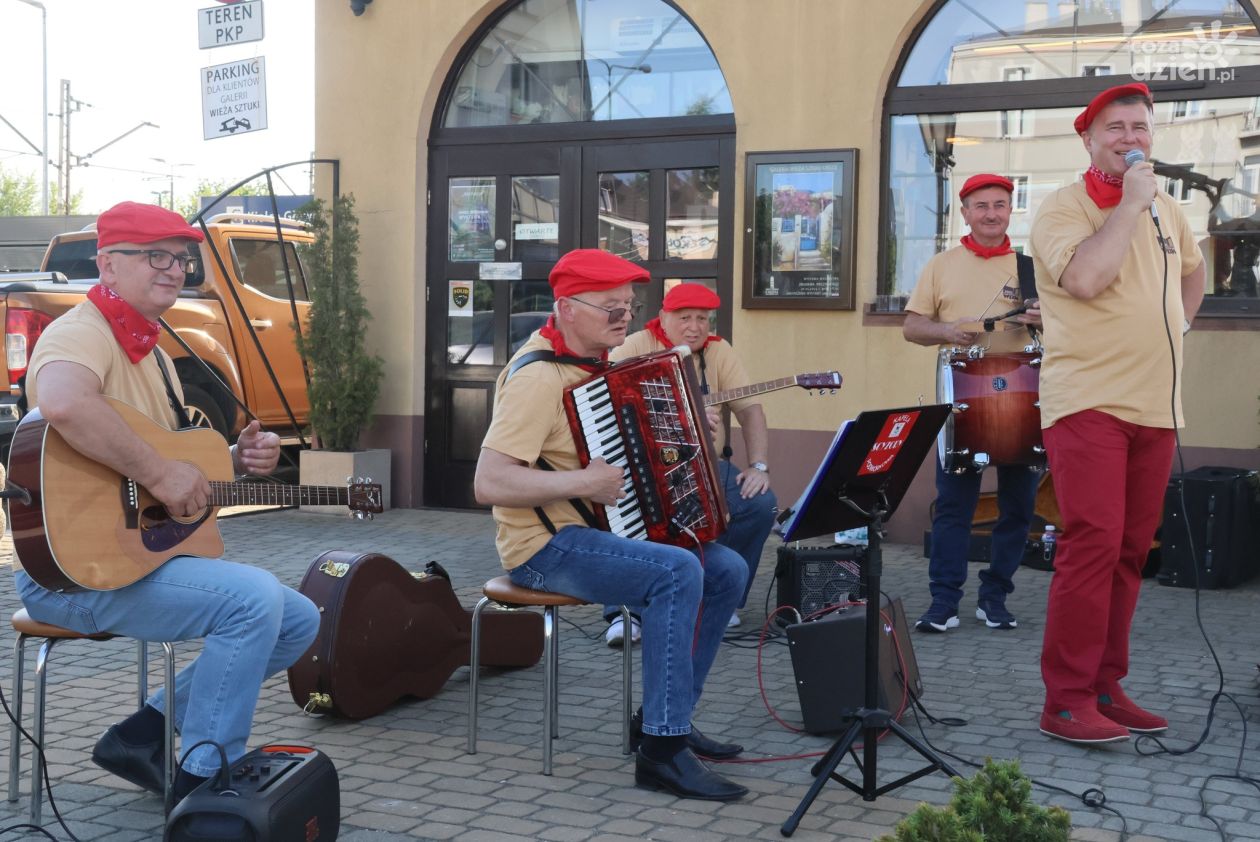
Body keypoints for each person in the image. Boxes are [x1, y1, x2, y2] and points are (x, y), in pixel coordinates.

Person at [13, 201, 320, 800]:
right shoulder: (80, 332)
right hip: (69, 576)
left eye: (180, 258)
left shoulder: (153, 353)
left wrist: (231, 464)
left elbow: (161, 459)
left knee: (300, 619)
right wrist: (158, 471)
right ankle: (205, 779)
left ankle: (145, 729)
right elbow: (67, 404)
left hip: (134, 560)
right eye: (154, 255)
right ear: (107, 265)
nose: (174, 269)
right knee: (253, 599)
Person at [474, 249, 749, 801]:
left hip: (596, 532)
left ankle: (664, 716)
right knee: (675, 572)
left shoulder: (602, 366)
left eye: (628, 307)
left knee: (727, 569)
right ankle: (663, 753)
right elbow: (490, 483)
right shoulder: (537, 378)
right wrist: (581, 484)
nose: (624, 319)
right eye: (610, 308)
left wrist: (692, 427)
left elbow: (638, 453)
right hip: (544, 547)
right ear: (567, 309)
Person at [1029, 83, 1204, 745]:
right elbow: (1084, 280)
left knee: (1132, 551)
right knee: (1092, 546)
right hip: (1089, 403)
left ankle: (1106, 684)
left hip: (1156, 407)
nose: (1132, 137)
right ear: (1089, 139)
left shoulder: (1169, 211)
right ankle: (1065, 700)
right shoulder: (1060, 209)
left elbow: (1194, 270)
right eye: (1117, 128)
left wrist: (1181, 322)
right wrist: (1131, 204)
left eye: (1141, 126)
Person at [903, 173, 1043, 634]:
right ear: (964, 212)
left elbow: (1068, 332)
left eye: (1000, 205)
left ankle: (995, 596)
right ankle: (944, 601)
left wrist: (1046, 320)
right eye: (981, 205)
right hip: (961, 406)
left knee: (1018, 507)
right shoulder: (941, 265)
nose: (991, 213)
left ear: (1010, 210)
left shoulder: (1031, 267)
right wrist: (947, 331)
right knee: (953, 507)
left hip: (1021, 400)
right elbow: (912, 328)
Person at [600, 283, 776, 644]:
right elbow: (609, 403)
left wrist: (759, 466)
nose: (695, 327)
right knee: (627, 510)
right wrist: (682, 418)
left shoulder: (719, 350)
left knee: (759, 503)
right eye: (685, 318)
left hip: (704, 467)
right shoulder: (635, 345)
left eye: (702, 318)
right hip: (644, 466)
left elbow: (751, 409)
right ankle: (624, 612)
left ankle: (722, 601)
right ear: (663, 318)